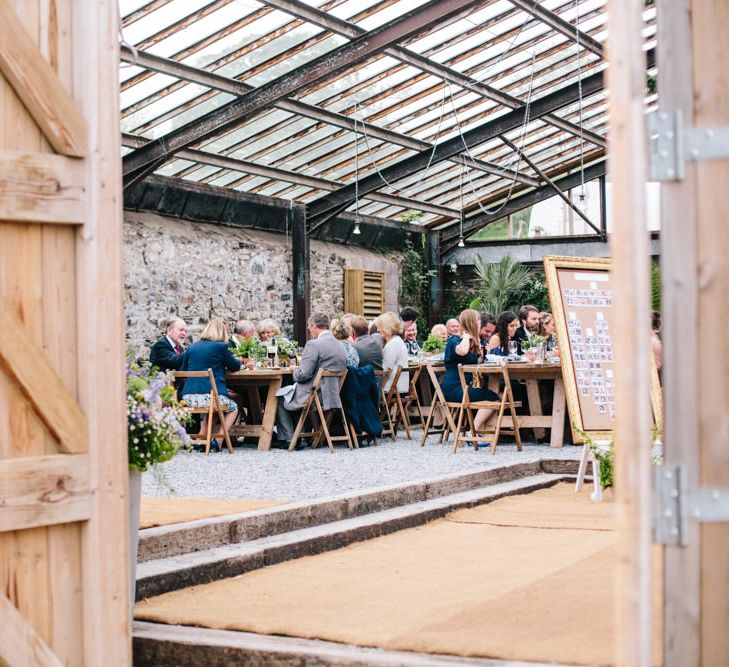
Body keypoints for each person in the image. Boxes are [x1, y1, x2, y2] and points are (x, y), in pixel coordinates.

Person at [275, 312, 346, 447]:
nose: (309, 329)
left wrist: (293, 370)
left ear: (314, 326)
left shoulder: (314, 344)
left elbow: (303, 375)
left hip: (314, 395)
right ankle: (300, 436)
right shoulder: (340, 345)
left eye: (309, 326)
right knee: (290, 394)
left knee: (279, 397)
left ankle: (289, 439)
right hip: (332, 394)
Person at [180, 317, 241, 443]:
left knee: (214, 407)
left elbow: (183, 370)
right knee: (233, 407)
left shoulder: (192, 347)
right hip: (210, 398)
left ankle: (200, 440)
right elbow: (235, 366)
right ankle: (218, 442)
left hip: (188, 398)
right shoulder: (221, 347)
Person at [440, 309, 499, 433]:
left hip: (466, 387)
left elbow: (473, 362)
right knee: (493, 398)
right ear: (472, 323)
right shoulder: (455, 340)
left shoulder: (470, 342)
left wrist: (483, 354)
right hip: (454, 389)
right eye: (478, 321)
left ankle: (482, 432)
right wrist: (466, 336)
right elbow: (462, 351)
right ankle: (473, 431)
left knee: (493, 395)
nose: (480, 324)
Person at [375, 312, 409, 394]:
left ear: (386, 327)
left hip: (393, 389)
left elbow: (386, 369)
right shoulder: (397, 341)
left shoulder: (393, 344)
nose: (377, 330)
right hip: (399, 387)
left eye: (379, 327)